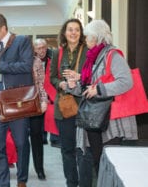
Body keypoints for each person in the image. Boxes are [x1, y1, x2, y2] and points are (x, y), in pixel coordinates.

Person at [67, 19, 138, 177]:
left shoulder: (112, 55)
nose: (85, 40)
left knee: (109, 165)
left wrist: (99, 89)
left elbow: (126, 82)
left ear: (97, 37)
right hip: (96, 119)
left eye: (88, 37)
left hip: (111, 121)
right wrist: (73, 87)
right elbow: (89, 86)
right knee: (99, 164)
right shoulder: (93, 57)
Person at [0, 13, 33, 187]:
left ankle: (22, 179)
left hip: (16, 101)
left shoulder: (21, 41)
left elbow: (27, 66)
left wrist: (1, 66)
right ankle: (2, 184)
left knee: (21, 143)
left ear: (3, 28)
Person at [50, 18, 93, 187]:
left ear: (81, 33)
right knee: (67, 150)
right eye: (70, 29)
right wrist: (60, 83)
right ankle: (71, 183)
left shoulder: (88, 51)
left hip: (85, 106)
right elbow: (52, 76)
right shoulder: (56, 52)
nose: (73, 33)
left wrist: (80, 77)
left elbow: (94, 75)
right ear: (64, 33)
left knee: (84, 150)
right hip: (64, 107)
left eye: (76, 29)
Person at [34, 39, 60, 147]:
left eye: (43, 47)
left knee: (53, 113)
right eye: (39, 48)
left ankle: (55, 139)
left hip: (52, 88)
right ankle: (42, 137)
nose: (42, 50)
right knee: (40, 113)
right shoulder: (32, 59)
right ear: (35, 49)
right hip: (38, 89)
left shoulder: (53, 57)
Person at [28, 40, 48, 180]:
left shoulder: (37, 62)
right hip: (19, 105)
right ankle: (21, 170)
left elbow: (41, 83)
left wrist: (43, 101)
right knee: (21, 141)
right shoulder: (15, 62)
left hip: (35, 103)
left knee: (37, 137)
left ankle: (39, 169)